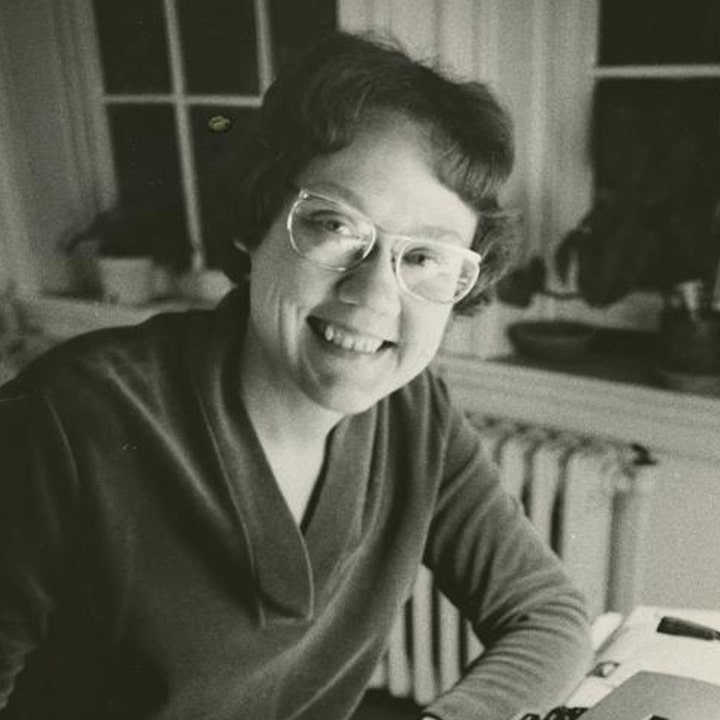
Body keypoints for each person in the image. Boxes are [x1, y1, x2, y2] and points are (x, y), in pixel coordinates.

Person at [0, 32, 592, 720]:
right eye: (335, 225)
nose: (374, 295)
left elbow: (547, 614)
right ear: (256, 222)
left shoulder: (414, 413)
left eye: (427, 257)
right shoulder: (67, 417)